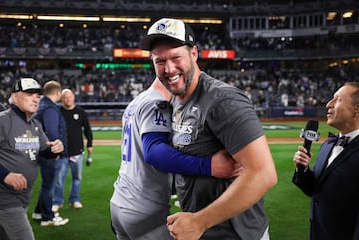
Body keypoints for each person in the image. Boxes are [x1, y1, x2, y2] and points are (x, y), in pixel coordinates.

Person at [140, 18, 278, 240]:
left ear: (194, 54)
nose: (169, 69)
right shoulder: (176, 101)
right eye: (159, 61)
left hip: (234, 234)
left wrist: (199, 222)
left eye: (176, 57)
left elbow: (264, 174)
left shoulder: (223, 100)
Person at [110, 76, 242, 240]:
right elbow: (154, 152)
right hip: (143, 207)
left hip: (120, 200)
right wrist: (209, 166)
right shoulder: (157, 103)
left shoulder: (136, 101)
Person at [292, 82, 359, 240]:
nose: (328, 104)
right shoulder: (328, 144)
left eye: (338, 100)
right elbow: (314, 189)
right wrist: (303, 169)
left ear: (357, 109)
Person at [0, 77, 64, 240]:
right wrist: (5, 174)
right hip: (5, 198)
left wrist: (55, 148)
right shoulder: (3, 121)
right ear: (14, 97)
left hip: (23, 197)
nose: (36, 98)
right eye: (29, 94)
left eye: (38, 95)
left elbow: (43, 149)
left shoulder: (34, 124)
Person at [32, 80, 69, 226]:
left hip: (41, 150)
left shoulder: (42, 104)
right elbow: (52, 131)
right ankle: (47, 218)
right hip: (48, 152)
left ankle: (38, 212)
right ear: (58, 93)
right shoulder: (50, 108)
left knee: (46, 185)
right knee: (49, 186)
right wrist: (56, 150)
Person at [52, 88, 93, 211]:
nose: (67, 99)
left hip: (77, 152)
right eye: (65, 97)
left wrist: (90, 144)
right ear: (61, 99)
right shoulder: (58, 112)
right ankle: (58, 201)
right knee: (59, 180)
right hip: (62, 153)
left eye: (69, 97)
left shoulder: (81, 112)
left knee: (77, 178)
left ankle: (74, 200)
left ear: (73, 97)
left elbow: (87, 129)